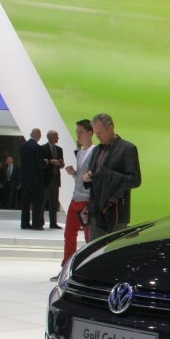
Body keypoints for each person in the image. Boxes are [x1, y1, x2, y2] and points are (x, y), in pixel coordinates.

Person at [83, 112, 141, 240]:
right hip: (95, 211)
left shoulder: (128, 149)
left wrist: (108, 175)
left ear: (111, 128)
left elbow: (135, 180)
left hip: (116, 211)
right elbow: (92, 175)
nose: (98, 137)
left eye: (100, 133)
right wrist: (87, 178)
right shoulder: (96, 150)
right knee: (94, 250)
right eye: (96, 133)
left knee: (115, 250)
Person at [55, 119, 95, 279]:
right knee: (69, 234)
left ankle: (88, 270)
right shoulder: (80, 152)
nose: (78, 135)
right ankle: (66, 269)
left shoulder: (95, 151)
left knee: (88, 236)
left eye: (80, 132)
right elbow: (82, 176)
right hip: (76, 198)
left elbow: (93, 176)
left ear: (90, 133)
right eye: (77, 132)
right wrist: (74, 174)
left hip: (87, 200)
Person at [19, 128, 45, 230]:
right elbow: (40, 164)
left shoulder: (22, 146)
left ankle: (24, 223)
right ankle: (36, 224)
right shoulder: (37, 148)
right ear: (37, 135)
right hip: (36, 179)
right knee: (37, 202)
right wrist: (47, 162)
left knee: (25, 202)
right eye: (40, 134)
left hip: (25, 178)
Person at [42, 130, 65, 229]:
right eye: (56, 136)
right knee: (43, 202)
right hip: (46, 179)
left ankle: (53, 223)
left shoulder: (59, 149)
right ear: (50, 137)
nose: (58, 138)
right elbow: (41, 163)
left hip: (55, 179)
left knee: (54, 203)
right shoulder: (42, 148)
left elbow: (62, 163)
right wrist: (51, 162)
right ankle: (40, 222)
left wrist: (60, 163)